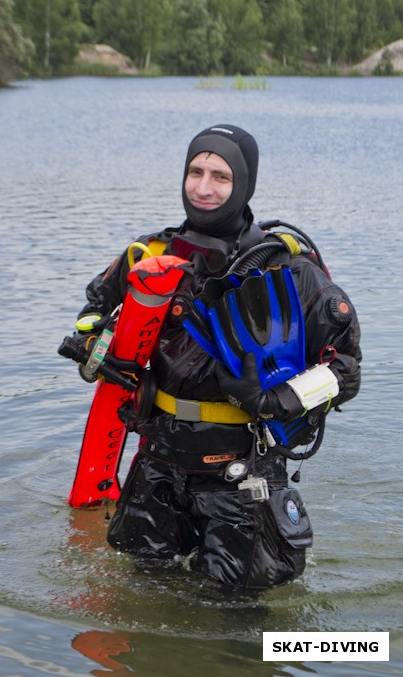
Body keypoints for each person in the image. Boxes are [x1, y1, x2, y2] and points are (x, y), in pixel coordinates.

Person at [71, 124, 361, 590]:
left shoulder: (289, 269)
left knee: (236, 623)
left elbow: (344, 371)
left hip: (239, 472)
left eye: (221, 177)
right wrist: (99, 351)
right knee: (141, 596)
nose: (204, 188)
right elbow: (90, 318)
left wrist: (277, 400)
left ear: (244, 185)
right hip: (157, 465)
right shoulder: (150, 256)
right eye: (195, 172)